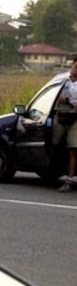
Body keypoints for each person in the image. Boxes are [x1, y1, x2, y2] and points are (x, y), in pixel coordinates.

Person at [53, 56, 77, 192]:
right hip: (61, 115)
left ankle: (69, 179)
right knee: (54, 143)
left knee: (73, 148)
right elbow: (56, 96)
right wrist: (68, 100)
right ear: (72, 64)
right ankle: (51, 171)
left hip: (75, 118)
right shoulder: (62, 80)